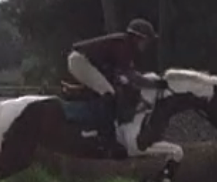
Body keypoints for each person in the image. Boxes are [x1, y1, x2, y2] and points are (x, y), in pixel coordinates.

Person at [66, 18, 168, 147]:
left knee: (110, 88)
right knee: (109, 93)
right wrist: (155, 84)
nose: (147, 45)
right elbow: (132, 76)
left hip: (83, 61)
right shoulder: (124, 46)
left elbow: (123, 77)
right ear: (137, 38)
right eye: (146, 41)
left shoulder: (125, 46)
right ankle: (103, 134)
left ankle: (92, 125)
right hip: (80, 61)